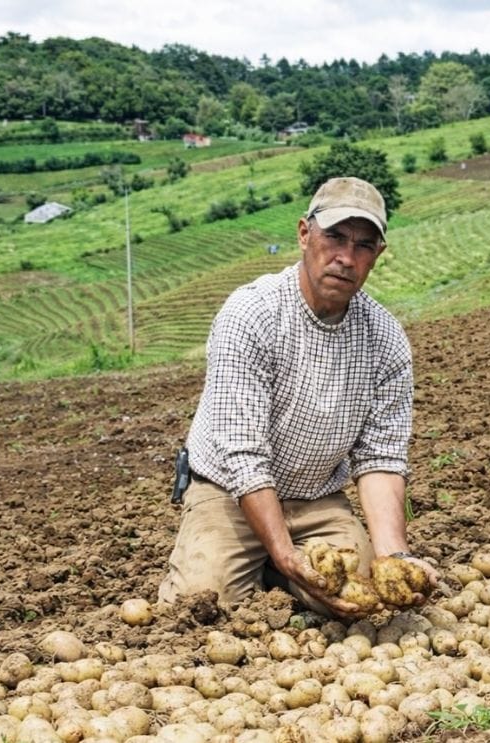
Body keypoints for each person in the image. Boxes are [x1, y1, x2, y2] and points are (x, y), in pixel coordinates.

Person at [158, 176, 437, 619]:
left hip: (314, 498)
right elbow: (243, 455)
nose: (346, 257)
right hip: (229, 491)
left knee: (362, 596)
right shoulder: (252, 314)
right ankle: (273, 563)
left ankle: (275, 572)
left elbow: (381, 458)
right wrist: (287, 553)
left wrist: (394, 558)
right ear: (305, 234)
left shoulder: (386, 340)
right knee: (204, 605)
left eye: (364, 245)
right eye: (335, 237)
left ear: (377, 256)